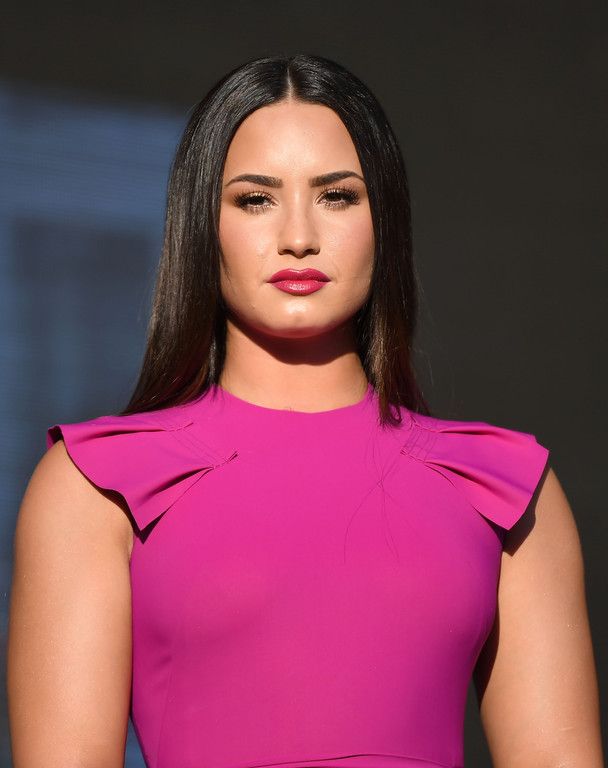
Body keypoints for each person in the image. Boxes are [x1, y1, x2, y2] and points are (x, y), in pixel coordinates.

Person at [7, 53, 603, 768]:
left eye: (338, 196)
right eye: (255, 199)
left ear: (385, 219)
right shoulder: (100, 485)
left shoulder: (500, 487)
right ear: (202, 223)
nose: (298, 236)